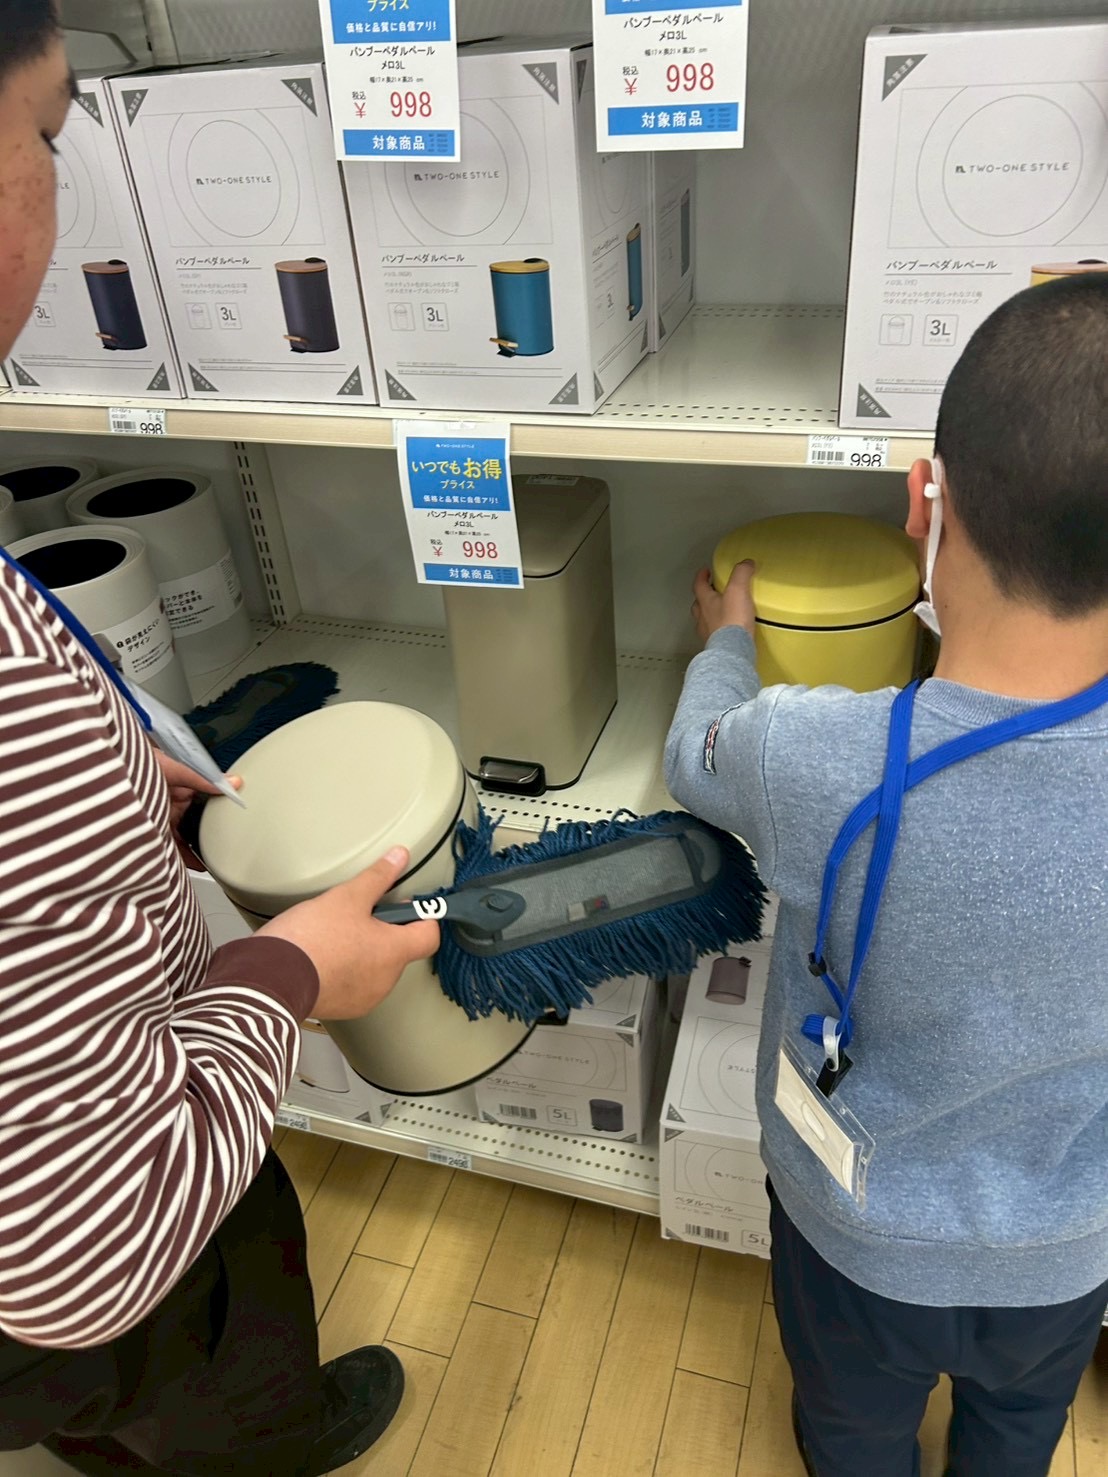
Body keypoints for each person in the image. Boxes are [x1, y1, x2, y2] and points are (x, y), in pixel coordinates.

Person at [0, 6, 440, 1473]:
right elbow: (80, 1252)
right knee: (212, 1354)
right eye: (49, 134)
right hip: (104, 1269)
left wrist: (118, 791)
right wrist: (287, 974)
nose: (61, 183)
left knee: (103, 1414)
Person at [665, 275, 1108, 1477]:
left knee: (853, 1433)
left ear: (925, 499)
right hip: (1067, 1249)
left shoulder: (808, 753)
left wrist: (726, 642)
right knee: (1016, 1435)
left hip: (855, 1237)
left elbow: (691, 753)